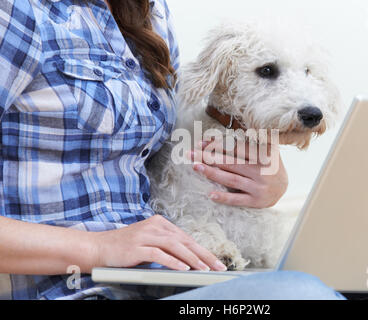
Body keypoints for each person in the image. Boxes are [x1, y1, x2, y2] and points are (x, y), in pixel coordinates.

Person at [0, 0, 346, 300]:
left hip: (164, 280)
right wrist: (99, 247)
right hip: (73, 288)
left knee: (358, 282)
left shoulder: (150, 12)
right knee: (301, 294)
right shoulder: (19, 12)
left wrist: (266, 181)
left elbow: (156, 154)